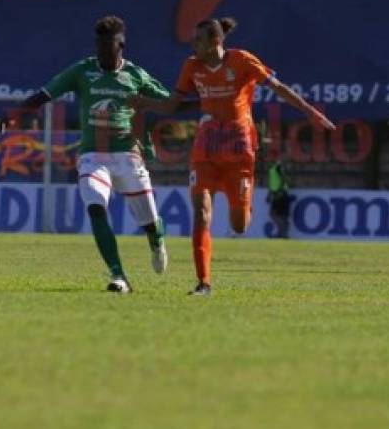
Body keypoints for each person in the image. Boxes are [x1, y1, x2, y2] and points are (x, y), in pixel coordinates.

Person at [131, 17, 335, 296]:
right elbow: (172, 105)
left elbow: (279, 88)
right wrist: (144, 103)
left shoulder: (242, 61)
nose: (193, 45)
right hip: (206, 148)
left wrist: (311, 112)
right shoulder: (192, 66)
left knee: (239, 224)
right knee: (201, 212)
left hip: (239, 148)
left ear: (215, 41)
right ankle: (204, 283)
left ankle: (244, 205)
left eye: (198, 40)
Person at [0, 16, 170, 293]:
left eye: (108, 46)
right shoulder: (82, 71)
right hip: (93, 156)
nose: (101, 52)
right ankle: (119, 276)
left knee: (149, 222)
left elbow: (169, 103)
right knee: (95, 206)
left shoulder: (136, 76)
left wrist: (147, 112)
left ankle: (156, 240)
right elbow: (44, 94)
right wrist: (14, 115)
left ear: (121, 45)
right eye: (99, 45)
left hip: (127, 156)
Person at [266, 159, 291, 239]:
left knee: (277, 215)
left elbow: (283, 179)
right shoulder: (272, 169)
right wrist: (270, 193)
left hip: (280, 194)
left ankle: (282, 234)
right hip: (277, 193)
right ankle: (282, 233)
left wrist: (280, 191)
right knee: (279, 215)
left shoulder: (278, 167)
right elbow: (272, 183)